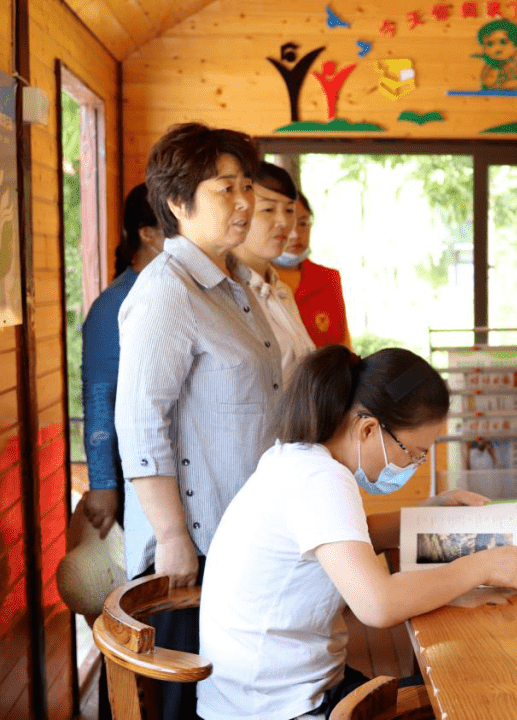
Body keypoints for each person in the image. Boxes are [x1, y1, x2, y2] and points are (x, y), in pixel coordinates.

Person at [197, 346, 517, 720]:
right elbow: (380, 605)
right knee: (473, 696)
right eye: (414, 453)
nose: (414, 466)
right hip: (278, 708)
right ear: (369, 428)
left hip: (256, 694)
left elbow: (350, 538)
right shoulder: (321, 480)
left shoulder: (297, 460)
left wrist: (428, 514)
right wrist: (481, 567)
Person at [114, 123, 282, 720]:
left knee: (232, 692)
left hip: (242, 533)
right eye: (224, 190)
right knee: (189, 697)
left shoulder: (234, 285)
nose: (243, 203)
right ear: (179, 204)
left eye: (246, 187)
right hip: (194, 547)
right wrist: (171, 536)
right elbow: (139, 425)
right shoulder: (167, 290)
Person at [81, 183, 164, 538]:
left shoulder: (177, 293)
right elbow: (100, 395)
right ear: (148, 235)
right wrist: (103, 484)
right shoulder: (112, 305)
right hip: (134, 474)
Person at [234, 161, 316, 381]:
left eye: (289, 210)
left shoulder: (279, 289)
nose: (283, 222)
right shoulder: (225, 291)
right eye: (268, 209)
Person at [274, 192, 352, 348]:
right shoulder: (254, 280)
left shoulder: (328, 279)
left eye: (303, 224)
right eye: (287, 225)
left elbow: (344, 346)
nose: (295, 235)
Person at [474, 18, 517, 90]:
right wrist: (493, 74)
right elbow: (485, 81)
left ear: (515, 44)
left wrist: (506, 85)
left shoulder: (512, 65)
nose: (497, 48)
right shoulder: (490, 65)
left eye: (503, 42)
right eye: (490, 44)